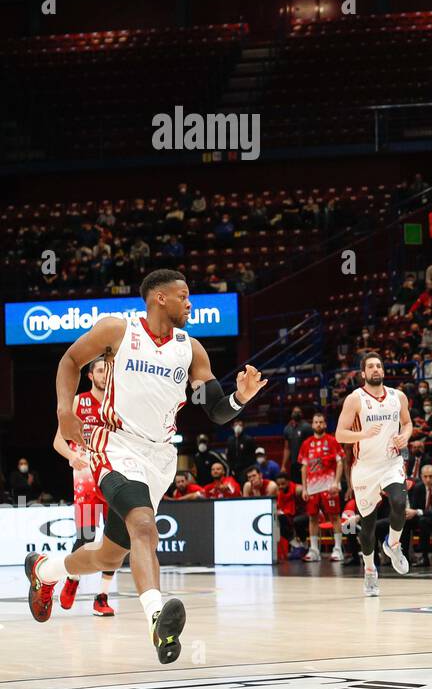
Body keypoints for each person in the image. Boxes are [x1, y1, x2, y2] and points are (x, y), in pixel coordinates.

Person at [31, 269, 266, 664]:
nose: (190, 303)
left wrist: (240, 398)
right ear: (160, 298)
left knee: (109, 556)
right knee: (143, 525)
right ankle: (158, 621)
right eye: (184, 296)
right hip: (115, 444)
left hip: (160, 458)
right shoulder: (117, 331)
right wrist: (62, 412)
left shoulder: (191, 349)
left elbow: (216, 410)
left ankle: (46, 570)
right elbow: (70, 360)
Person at [334, 354, 414, 596]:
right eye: (370, 366)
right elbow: (339, 434)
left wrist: (405, 436)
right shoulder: (354, 399)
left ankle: (393, 544)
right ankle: (370, 570)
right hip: (365, 467)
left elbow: (408, 423)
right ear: (363, 373)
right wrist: (363, 435)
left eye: (379, 365)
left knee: (399, 503)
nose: (376, 369)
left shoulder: (397, 396)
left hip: (391, 462)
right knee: (367, 527)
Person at [48, 356, 117, 617]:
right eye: (100, 370)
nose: (104, 375)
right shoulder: (80, 402)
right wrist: (72, 456)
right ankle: (73, 579)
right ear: (90, 375)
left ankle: (102, 597)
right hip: (86, 478)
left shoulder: (118, 402)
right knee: (85, 537)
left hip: (114, 475)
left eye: (107, 370)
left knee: (116, 538)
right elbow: (58, 441)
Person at [297, 412, 346, 562]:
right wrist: (304, 488)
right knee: (312, 518)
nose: (318, 424)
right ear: (312, 425)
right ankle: (314, 551)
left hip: (328, 487)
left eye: (321, 422)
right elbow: (304, 467)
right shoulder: (306, 444)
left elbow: (340, 462)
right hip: (312, 488)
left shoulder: (332, 441)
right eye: (316, 422)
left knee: (334, 517)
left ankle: (337, 549)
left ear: (325, 424)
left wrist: (336, 482)